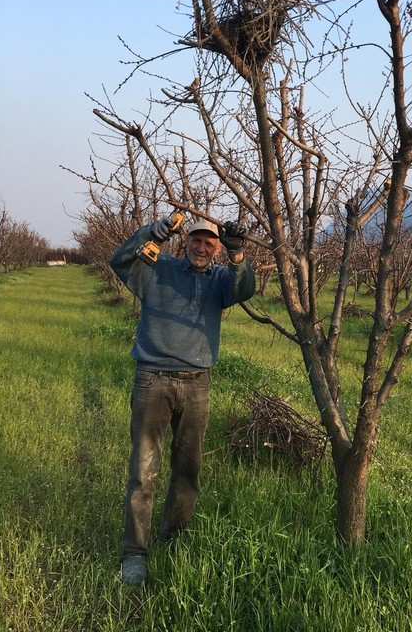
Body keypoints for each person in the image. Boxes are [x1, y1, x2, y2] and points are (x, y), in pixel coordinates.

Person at [109, 215, 255, 586]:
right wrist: (154, 231)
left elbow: (244, 290)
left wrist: (238, 255)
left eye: (210, 243)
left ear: (217, 247)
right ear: (185, 241)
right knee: (143, 470)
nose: (202, 248)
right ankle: (135, 553)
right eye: (196, 240)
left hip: (197, 384)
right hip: (152, 379)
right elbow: (120, 261)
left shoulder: (221, 279)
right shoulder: (158, 270)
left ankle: (172, 540)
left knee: (188, 469)